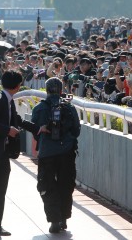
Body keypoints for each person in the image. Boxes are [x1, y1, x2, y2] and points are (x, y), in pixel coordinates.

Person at [0, 70, 47, 237]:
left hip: (2, 153)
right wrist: (7, 130)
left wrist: (38, 128)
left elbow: (18, 120)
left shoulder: (9, 101)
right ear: (17, 86)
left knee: (0, 190)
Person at [31, 77, 81, 233]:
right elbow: (76, 130)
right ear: (61, 90)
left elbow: (35, 130)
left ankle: (54, 220)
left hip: (47, 154)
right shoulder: (69, 107)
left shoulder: (39, 108)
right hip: (67, 153)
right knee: (65, 185)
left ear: (46, 90)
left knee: (47, 186)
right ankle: (64, 218)